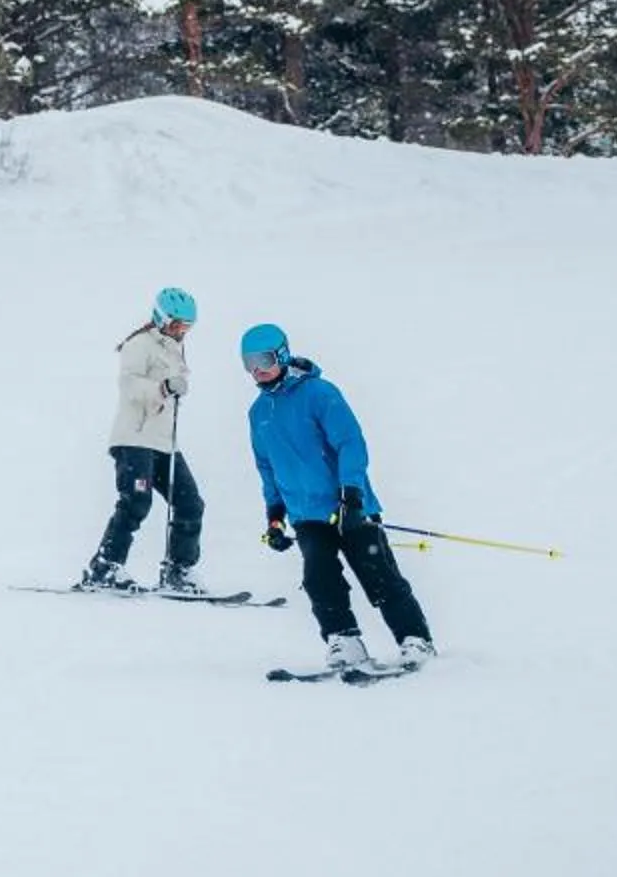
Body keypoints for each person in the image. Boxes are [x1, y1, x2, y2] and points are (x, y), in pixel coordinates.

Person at [240, 324, 437, 678]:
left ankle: (415, 639)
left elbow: (350, 442)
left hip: (348, 506)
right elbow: (267, 467)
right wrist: (275, 516)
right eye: (249, 363)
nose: (257, 370)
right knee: (319, 578)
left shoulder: (319, 393)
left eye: (264, 360)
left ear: (282, 355)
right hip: (306, 515)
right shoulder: (258, 413)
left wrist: (352, 492)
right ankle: (344, 641)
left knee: (377, 573)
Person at [76, 286, 208, 594]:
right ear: (161, 318)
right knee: (136, 501)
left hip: (165, 443)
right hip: (135, 439)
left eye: (187, 327)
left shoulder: (174, 350)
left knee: (190, 503)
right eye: (177, 325)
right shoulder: (140, 344)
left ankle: (178, 571)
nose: (181, 332)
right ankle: (105, 568)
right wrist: (164, 388)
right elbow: (129, 384)